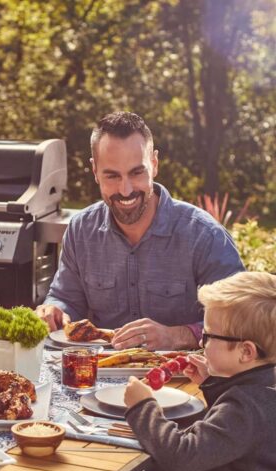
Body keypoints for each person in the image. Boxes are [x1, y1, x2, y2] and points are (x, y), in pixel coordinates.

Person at [102, 271, 276, 471]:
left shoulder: (245, 406)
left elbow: (181, 458)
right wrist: (212, 384)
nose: (201, 342)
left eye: (209, 337)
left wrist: (143, 408)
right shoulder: (262, 388)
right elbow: (236, 437)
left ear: (246, 352)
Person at [36, 111, 244, 351]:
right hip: (97, 375)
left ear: (154, 164)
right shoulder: (81, 230)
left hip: (181, 380)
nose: (125, 190)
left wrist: (175, 336)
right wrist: (54, 310)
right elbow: (66, 299)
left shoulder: (205, 236)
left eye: (136, 173)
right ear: (94, 171)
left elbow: (240, 321)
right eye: (112, 176)